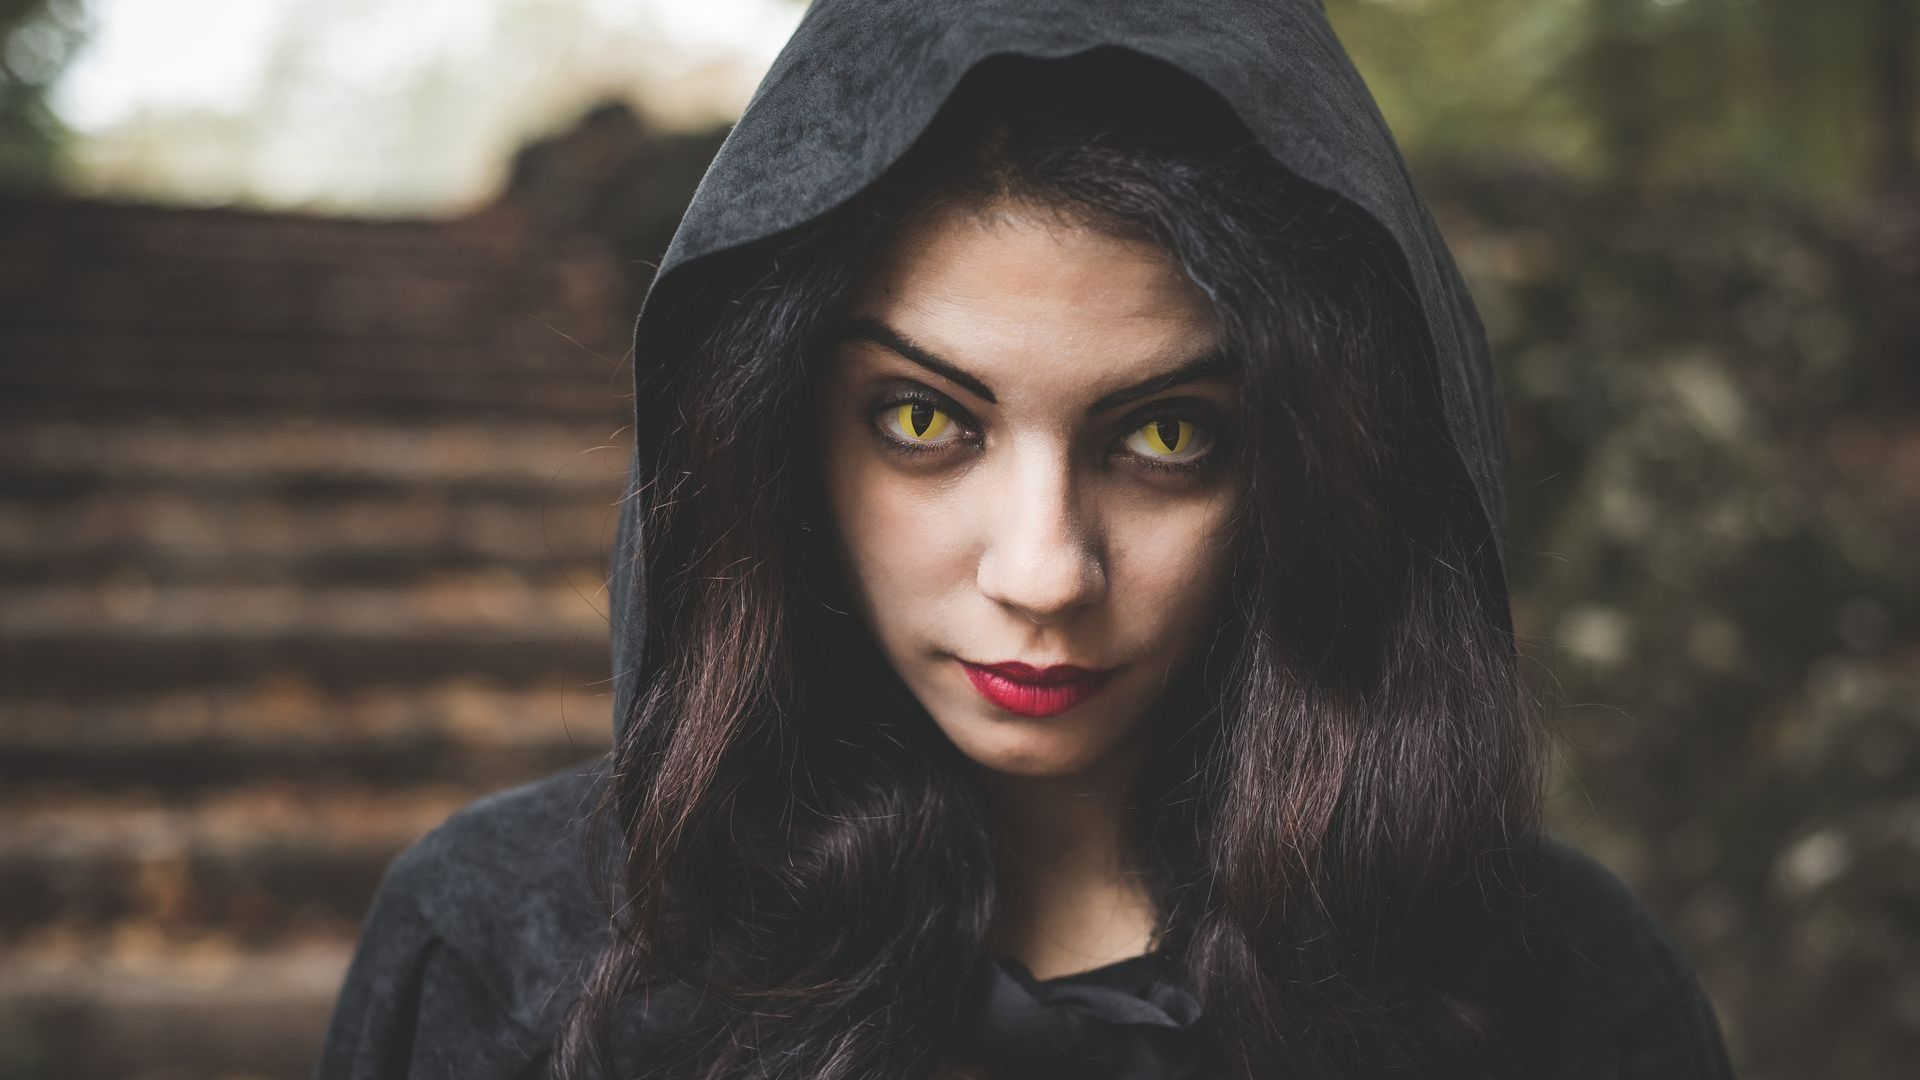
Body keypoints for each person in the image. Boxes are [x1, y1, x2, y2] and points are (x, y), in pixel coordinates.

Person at [313, 2, 1739, 1078]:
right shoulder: (511, 963)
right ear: (777, 430)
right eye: (927, 422)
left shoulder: (1561, 995)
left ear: (1316, 460)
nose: (1045, 572)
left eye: (1168, 435)